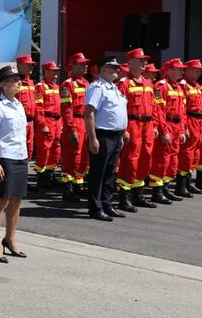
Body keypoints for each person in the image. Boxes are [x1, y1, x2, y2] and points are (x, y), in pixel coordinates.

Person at [0, 65, 30, 261]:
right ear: (4, 84)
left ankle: (10, 239)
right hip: (5, 158)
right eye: (14, 80)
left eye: (18, 79)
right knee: (1, 201)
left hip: (20, 157)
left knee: (17, 200)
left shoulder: (18, 105)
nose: (19, 82)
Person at [84, 56, 128, 221]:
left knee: (110, 173)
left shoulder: (114, 88)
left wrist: (121, 134)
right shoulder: (98, 87)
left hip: (115, 136)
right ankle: (95, 208)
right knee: (98, 173)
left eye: (117, 68)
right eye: (113, 67)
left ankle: (107, 204)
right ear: (103, 70)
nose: (117, 70)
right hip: (102, 135)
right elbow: (89, 113)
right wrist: (92, 138)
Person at [116, 48, 158, 211]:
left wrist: (153, 125)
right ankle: (124, 197)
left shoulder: (148, 83)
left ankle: (138, 194)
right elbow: (119, 109)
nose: (144, 63)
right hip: (132, 125)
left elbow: (153, 107)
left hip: (147, 126)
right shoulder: (124, 84)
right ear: (131, 63)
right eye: (141, 60)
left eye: (145, 60)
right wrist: (123, 129)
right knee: (130, 159)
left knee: (145, 158)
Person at [148, 58, 188, 204]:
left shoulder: (178, 87)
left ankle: (165, 189)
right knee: (162, 158)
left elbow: (183, 111)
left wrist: (183, 130)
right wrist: (164, 130)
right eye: (179, 69)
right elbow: (158, 110)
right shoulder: (161, 86)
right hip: (168, 125)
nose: (182, 71)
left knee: (173, 159)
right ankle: (157, 192)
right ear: (170, 70)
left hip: (177, 127)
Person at [60, 52, 91, 201]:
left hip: (85, 123)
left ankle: (78, 185)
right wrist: (71, 129)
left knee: (84, 157)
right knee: (72, 156)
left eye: (86, 64)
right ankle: (68, 189)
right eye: (82, 64)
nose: (86, 66)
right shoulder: (68, 85)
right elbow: (66, 109)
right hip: (75, 123)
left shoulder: (87, 84)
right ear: (73, 66)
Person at [177, 59, 202, 196]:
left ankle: (188, 183)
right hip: (191, 120)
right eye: (196, 70)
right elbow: (182, 109)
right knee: (186, 154)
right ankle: (181, 186)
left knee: (195, 153)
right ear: (187, 70)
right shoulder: (183, 86)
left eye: (200, 70)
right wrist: (186, 127)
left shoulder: (196, 86)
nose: (199, 72)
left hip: (199, 121)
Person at [34, 61, 62, 188]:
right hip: (47, 121)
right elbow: (38, 108)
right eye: (53, 70)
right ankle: (42, 178)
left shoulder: (56, 87)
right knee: (44, 150)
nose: (56, 73)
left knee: (56, 150)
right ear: (46, 71)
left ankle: (50, 174)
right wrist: (42, 124)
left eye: (56, 70)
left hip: (57, 122)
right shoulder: (40, 87)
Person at [15, 55, 38, 183]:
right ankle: (17, 179)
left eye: (32, 65)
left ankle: (23, 179)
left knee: (29, 150)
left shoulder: (31, 82)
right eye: (28, 65)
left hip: (31, 122)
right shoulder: (15, 82)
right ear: (20, 66)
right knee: (19, 149)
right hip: (20, 122)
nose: (31, 67)